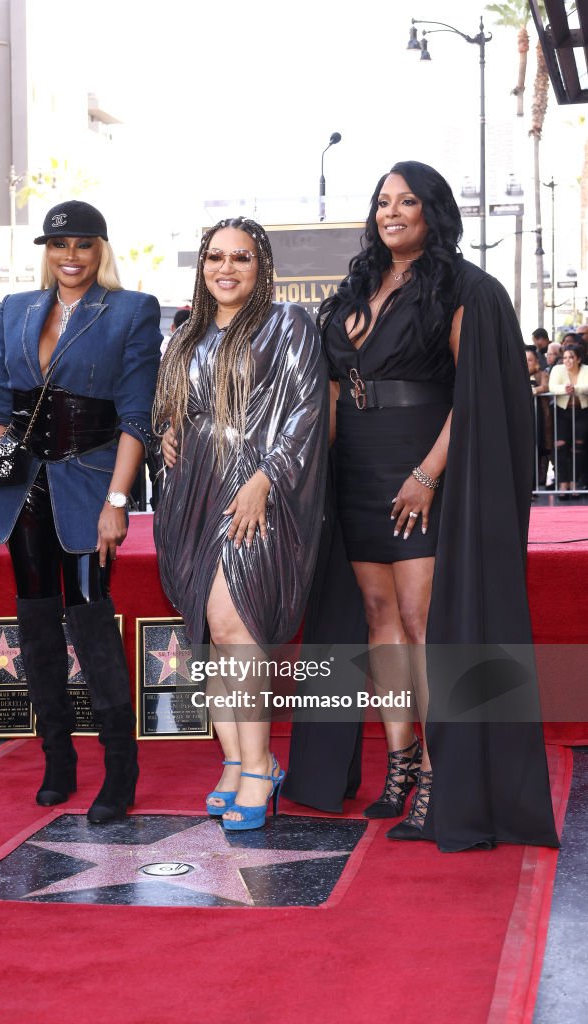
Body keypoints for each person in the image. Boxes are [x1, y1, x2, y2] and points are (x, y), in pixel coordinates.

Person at [286, 161, 558, 853]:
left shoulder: (465, 288)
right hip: (356, 469)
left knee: (421, 625)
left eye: (407, 201)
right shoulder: (355, 285)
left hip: (422, 468)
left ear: (433, 211)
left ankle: (440, 775)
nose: (392, 211)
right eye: (382, 201)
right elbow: (330, 391)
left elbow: (474, 396)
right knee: (378, 621)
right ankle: (400, 760)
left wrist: (427, 476)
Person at [0, 200, 161, 823]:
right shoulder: (16, 309)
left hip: (89, 483)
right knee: (34, 617)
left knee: (89, 615)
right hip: (23, 488)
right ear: (46, 253)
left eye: (83, 245)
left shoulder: (131, 310)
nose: (70, 257)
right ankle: (58, 758)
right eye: (59, 246)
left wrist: (118, 500)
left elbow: (137, 414)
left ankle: (121, 768)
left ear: (100, 249)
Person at [153, 216, 327, 831]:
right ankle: (235, 760)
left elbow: (306, 412)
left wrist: (266, 479)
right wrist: (166, 433)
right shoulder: (185, 333)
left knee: (236, 623)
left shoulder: (289, 326)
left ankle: (258, 764)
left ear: (262, 266)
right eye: (215, 258)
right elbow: (169, 409)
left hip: (255, 489)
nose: (226, 269)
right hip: (191, 494)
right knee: (213, 630)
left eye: (242, 258)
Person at [548, 342, 588, 495]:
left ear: (578, 359)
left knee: (578, 448)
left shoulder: (586, 370)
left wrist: (575, 389)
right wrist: (565, 389)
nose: (567, 360)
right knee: (561, 447)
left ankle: (574, 484)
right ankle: (563, 484)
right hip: (562, 412)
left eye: (571, 357)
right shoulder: (558, 369)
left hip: (582, 412)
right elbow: (552, 386)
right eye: (565, 357)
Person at [526, 346, 552, 491]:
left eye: (530, 360)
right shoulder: (517, 375)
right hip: (523, 419)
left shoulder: (543, 374)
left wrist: (534, 390)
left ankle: (537, 483)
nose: (527, 362)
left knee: (540, 447)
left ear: (536, 361)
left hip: (541, 417)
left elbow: (546, 386)